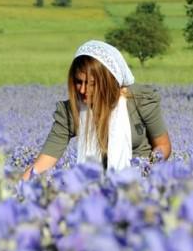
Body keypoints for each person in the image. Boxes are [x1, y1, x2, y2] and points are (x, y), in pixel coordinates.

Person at [23, 40, 171, 180]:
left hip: (139, 183)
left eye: (92, 84)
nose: (82, 89)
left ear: (108, 81)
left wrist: (147, 169)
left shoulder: (140, 100)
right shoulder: (70, 111)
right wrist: (14, 191)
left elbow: (163, 145)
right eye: (78, 82)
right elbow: (43, 164)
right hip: (94, 189)